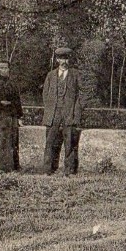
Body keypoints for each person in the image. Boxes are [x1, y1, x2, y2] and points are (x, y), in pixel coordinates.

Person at [42, 47, 84, 176]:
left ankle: (70, 170)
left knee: (70, 142)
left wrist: (76, 112)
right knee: (50, 142)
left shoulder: (76, 74)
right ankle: (48, 170)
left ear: (69, 59)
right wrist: (50, 109)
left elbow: (81, 95)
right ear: (57, 60)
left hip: (69, 113)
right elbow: (45, 94)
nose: (63, 61)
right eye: (60, 58)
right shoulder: (51, 75)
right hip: (53, 114)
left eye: (65, 58)